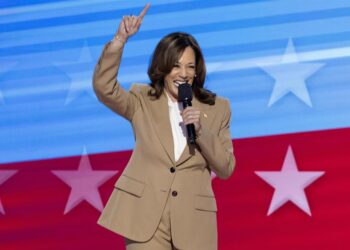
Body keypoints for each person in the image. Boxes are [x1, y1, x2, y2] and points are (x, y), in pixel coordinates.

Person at [93, 4, 235, 250]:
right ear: (163, 67)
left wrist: (200, 130)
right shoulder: (142, 100)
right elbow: (104, 89)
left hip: (193, 223)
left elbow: (225, 168)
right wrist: (120, 40)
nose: (183, 73)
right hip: (146, 220)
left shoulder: (217, 108)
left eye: (190, 66)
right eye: (176, 66)